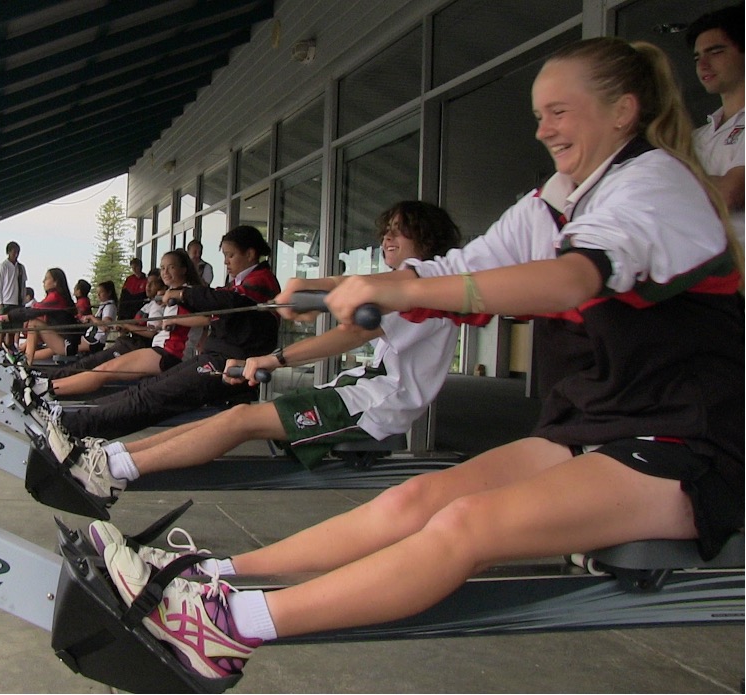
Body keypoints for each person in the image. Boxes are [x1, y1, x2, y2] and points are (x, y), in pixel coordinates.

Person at [91, 37, 743, 681]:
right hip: (599, 421)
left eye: (558, 111)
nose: (542, 129)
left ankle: (228, 627)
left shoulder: (655, 183)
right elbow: (462, 269)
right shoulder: (557, 199)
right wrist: (327, 290)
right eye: (538, 113)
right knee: (419, 498)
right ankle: (212, 576)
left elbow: (571, 279)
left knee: (466, 523)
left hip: (687, 442)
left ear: (622, 111)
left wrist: (397, 286)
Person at [62, 202, 463, 503]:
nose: (387, 239)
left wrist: (278, 349)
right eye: (386, 231)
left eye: (400, 232)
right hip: (361, 392)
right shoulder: (412, 285)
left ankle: (110, 468)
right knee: (236, 417)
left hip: (377, 407)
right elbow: (354, 326)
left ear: (426, 240)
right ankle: (110, 455)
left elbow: (349, 332)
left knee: (240, 422)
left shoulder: (421, 281)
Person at [50, 225, 281, 441]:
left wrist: (182, 296)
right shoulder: (243, 282)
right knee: (143, 390)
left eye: (231, 255)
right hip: (215, 356)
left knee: (150, 396)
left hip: (225, 362)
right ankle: (70, 415)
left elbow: (222, 303)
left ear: (250, 254)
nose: (226, 262)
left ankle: (73, 423)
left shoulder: (261, 281)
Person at [47, 251, 205, 397]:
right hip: (159, 349)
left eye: (171, 267)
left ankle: (48, 387)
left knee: (105, 370)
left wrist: (173, 320)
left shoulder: (189, 294)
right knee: (103, 369)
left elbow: (207, 318)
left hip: (170, 354)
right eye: (162, 268)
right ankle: (49, 385)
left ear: (184, 269)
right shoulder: (170, 294)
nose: (165, 272)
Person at [688, 6, 744, 247]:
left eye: (716, 52)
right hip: (707, 277)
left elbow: (730, 193)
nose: (703, 64)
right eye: (697, 57)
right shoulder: (696, 137)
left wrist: (668, 183)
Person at [0, 267, 79, 363]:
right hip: (66, 343)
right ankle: (24, 356)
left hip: (67, 345)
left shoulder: (55, 297)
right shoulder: (57, 297)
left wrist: (2, 318)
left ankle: (27, 361)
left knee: (34, 323)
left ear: (55, 282)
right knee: (37, 322)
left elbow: (30, 312)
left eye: (46, 278)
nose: (43, 281)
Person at [0, 241, 28, 351]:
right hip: (5, 301)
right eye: (14, 252)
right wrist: (0, 302)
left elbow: (23, 284)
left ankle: (10, 346)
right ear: (9, 252)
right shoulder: (3, 266)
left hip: (18, 302)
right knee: (2, 327)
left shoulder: (21, 267)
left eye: (18, 252)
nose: (16, 254)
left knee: (14, 328)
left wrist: (23, 300)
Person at [75, 280, 120, 354]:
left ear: (109, 293)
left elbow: (105, 326)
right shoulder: (104, 305)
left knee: (67, 347)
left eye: (101, 292)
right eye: (97, 293)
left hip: (94, 339)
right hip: (91, 337)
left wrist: (91, 317)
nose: (98, 295)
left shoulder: (109, 307)